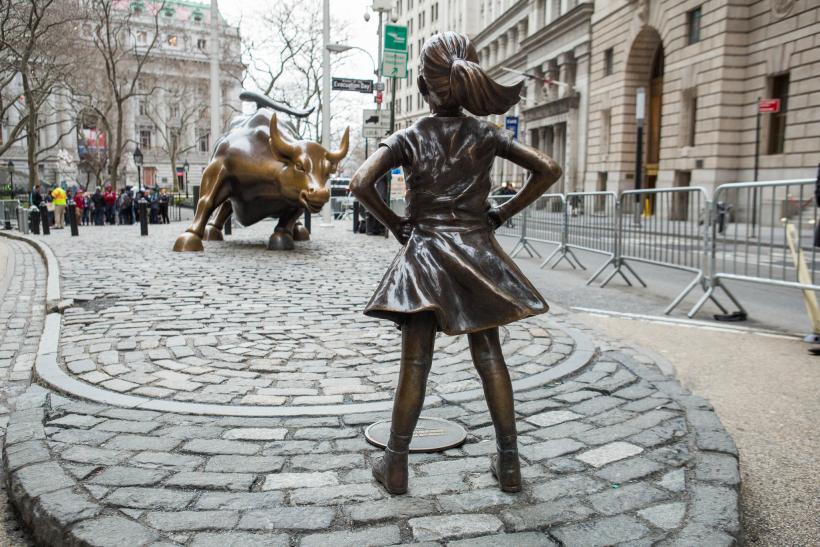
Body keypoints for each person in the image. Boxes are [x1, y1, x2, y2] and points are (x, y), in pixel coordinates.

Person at [350, 32, 562, 495]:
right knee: (490, 356)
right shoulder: (485, 133)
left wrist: (398, 226)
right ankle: (509, 466)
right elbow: (548, 168)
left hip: (424, 254)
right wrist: (501, 214)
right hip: (476, 252)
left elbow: (361, 183)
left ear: (425, 89)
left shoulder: (409, 136)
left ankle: (397, 466)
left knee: (415, 363)